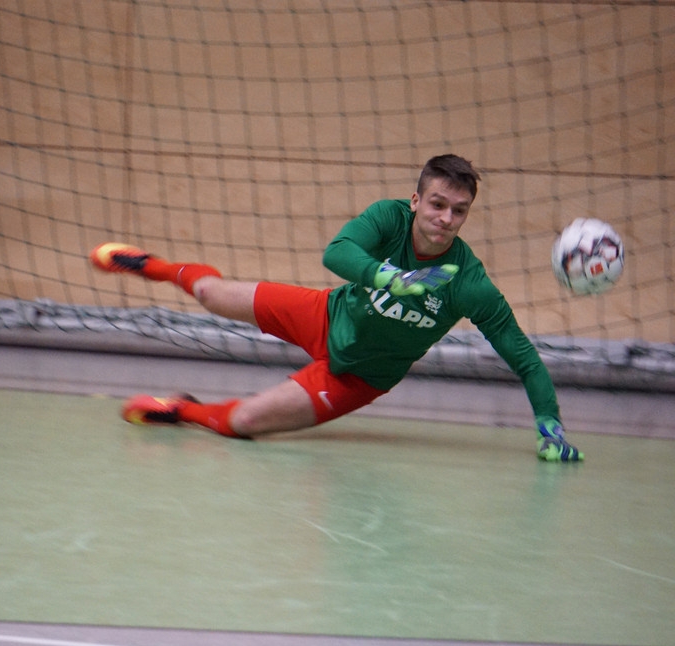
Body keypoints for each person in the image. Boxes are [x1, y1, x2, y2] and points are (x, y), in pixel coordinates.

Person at [89, 154, 583, 462]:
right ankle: (153, 266)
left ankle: (182, 409)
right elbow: (336, 253)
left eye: (459, 210)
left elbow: (522, 356)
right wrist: (390, 278)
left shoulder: (467, 282)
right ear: (416, 201)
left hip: (357, 378)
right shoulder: (389, 217)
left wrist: (550, 425)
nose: (446, 218)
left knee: (244, 424)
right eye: (437, 204)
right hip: (325, 314)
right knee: (212, 295)